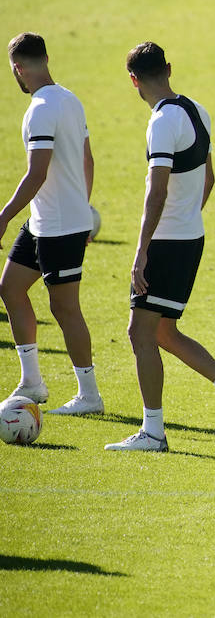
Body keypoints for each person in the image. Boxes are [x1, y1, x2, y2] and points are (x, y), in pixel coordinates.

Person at [105, 42, 215, 452]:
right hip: (190, 237)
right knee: (162, 330)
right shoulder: (197, 110)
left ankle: (153, 432)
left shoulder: (160, 123)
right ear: (169, 69)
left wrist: (141, 251)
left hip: (166, 242)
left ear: (133, 81)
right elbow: (210, 179)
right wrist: (190, 215)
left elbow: (155, 194)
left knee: (140, 331)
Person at [0, 33, 103, 415]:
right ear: (46, 57)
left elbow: (36, 173)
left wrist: (3, 216)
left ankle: (89, 395)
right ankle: (32, 382)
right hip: (47, 220)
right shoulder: (69, 99)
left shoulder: (40, 109)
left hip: (59, 225)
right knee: (10, 287)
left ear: (17, 68)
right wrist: (82, 206)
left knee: (65, 308)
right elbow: (88, 160)